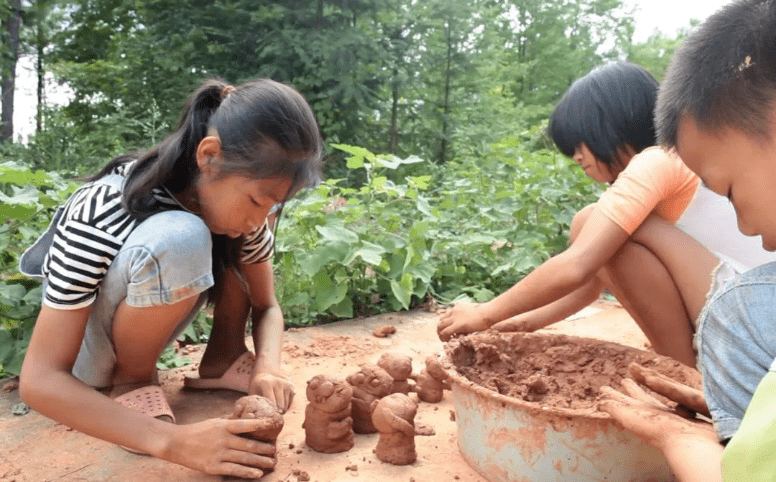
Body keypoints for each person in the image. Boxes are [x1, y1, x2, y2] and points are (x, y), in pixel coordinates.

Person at [17, 78, 323, 478]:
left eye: (272, 207)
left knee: (225, 233)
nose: (258, 220)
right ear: (209, 156)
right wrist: (175, 443)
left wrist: (267, 365)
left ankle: (224, 357)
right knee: (184, 235)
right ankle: (132, 380)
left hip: (143, 318)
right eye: (255, 201)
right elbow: (39, 380)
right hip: (83, 356)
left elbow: (267, 306)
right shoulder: (103, 209)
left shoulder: (246, 215)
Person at [438, 61, 774, 368]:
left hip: (755, 321)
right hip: (754, 323)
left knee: (589, 221)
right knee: (599, 229)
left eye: (579, 143)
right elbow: (585, 290)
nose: (576, 157)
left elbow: (576, 265)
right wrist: (503, 328)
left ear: (611, 124)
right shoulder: (666, 173)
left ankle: (688, 375)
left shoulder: (658, 161)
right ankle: (692, 371)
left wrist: (483, 314)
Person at [599, 1, 776, 480]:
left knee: (733, 317)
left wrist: (678, 440)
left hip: (728, 299)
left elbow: (579, 264)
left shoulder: (652, 164)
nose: (743, 225)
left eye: (732, 193)